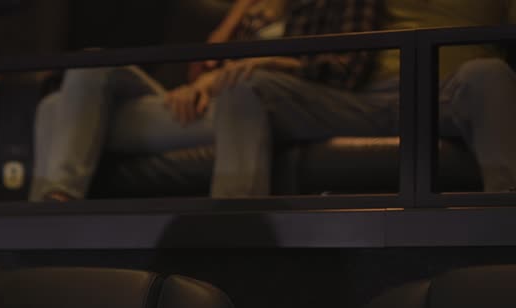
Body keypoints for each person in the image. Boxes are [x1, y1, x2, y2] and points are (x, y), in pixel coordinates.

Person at [212, 0, 516, 196]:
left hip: (447, 97)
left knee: (488, 74)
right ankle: (234, 245)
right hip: (358, 98)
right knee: (244, 87)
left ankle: (504, 227)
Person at [30, 0, 289, 201]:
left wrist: (210, 82)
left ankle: (55, 206)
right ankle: (48, 215)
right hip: (195, 101)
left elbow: (311, 70)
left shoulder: (307, 11)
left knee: (57, 110)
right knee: (79, 74)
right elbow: (207, 61)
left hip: (237, 109)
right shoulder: (244, 10)